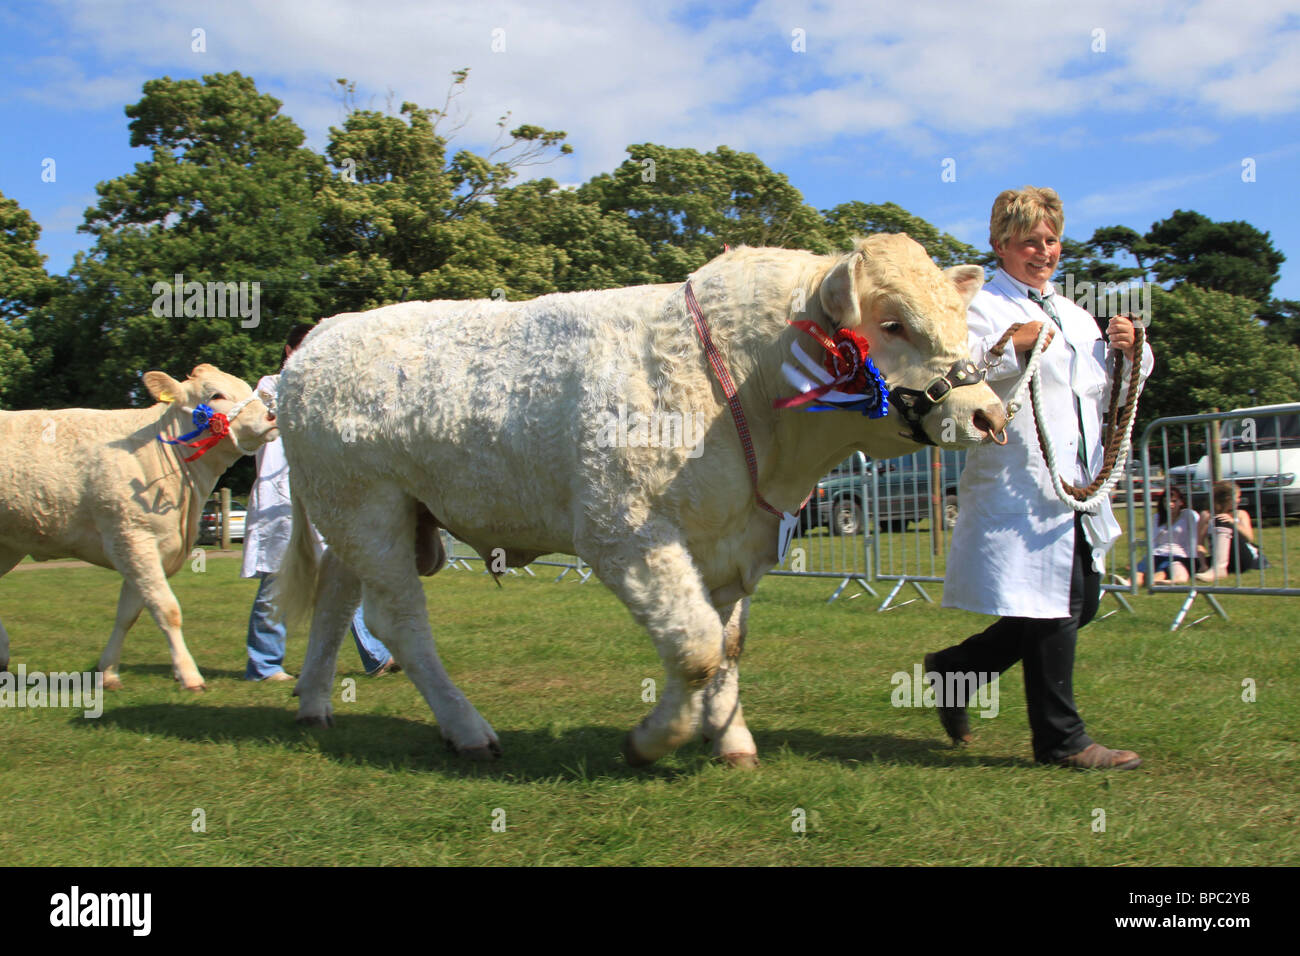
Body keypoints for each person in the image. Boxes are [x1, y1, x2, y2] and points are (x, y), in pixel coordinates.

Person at [926, 186, 1154, 770]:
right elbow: (955, 375)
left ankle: (955, 671)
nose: (1044, 250)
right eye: (1029, 241)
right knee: (1052, 605)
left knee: (1081, 601)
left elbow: (1101, 392)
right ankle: (1062, 741)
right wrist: (1008, 348)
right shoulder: (981, 307)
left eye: (1051, 239)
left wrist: (1129, 353)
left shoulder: (1075, 313)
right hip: (1021, 478)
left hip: (1075, 481)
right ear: (1000, 244)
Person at [241, 322, 398, 681]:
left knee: (344, 577)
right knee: (275, 585)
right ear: (289, 351)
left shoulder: (328, 390)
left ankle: (376, 656)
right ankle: (264, 666)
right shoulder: (268, 387)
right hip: (278, 500)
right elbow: (272, 415)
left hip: (322, 497)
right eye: (305, 348)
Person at [1120, 485, 1198, 586]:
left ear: (1181, 502)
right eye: (1166, 501)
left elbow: (1193, 538)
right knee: (1142, 569)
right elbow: (1153, 540)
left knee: (1162, 570)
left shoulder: (1188, 516)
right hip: (1157, 553)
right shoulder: (1157, 518)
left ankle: (1153, 582)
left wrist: (1191, 558)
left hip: (1177, 554)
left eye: (1174, 501)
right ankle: (1128, 583)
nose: (1170, 504)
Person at [1195, 480, 1262, 582]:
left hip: (1242, 558)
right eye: (1237, 497)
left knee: (1221, 521)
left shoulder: (1241, 514)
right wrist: (1203, 564)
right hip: (1219, 558)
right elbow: (1200, 545)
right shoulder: (1206, 515)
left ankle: (1219, 569)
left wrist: (1232, 523)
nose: (1239, 501)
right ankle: (1217, 566)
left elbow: (1249, 538)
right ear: (1228, 499)